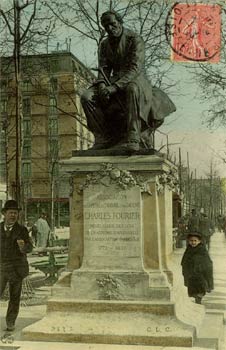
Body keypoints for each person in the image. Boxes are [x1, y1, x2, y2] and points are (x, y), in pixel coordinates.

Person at [81, 10, 176, 152]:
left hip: (136, 78)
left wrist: (115, 87)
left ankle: (134, 136)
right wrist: (101, 85)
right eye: (106, 27)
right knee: (87, 97)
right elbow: (103, 69)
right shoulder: (104, 44)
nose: (110, 29)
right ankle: (103, 137)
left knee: (132, 89)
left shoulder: (134, 39)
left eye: (113, 24)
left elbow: (135, 67)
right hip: (112, 80)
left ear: (120, 22)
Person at [0, 200, 33, 331]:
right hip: (1, 267)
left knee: (14, 297)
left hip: (16, 269)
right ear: (4, 213)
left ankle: (10, 322)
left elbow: (30, 247)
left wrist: (23, 247)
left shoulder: (22, 230)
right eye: (10, 213)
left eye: (15, 213)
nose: (13, 215)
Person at [181, 232, 213, 304]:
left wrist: (203, 269)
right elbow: (184, 261)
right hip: (191, 274)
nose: (193, 242)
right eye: (191, 241)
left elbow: (207, 262)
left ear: (199, 241)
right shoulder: (188, 250)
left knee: (200, 289)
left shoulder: (202, 250)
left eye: (195, 241)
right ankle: (196, 299)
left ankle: (198, 300)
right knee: (193, 290)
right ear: (189, 241)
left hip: (200, 274)